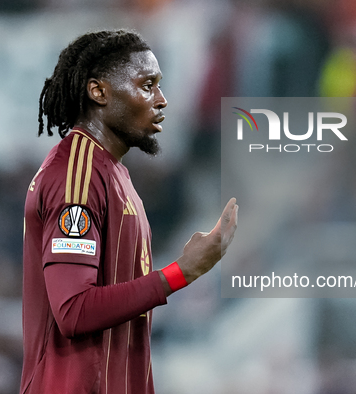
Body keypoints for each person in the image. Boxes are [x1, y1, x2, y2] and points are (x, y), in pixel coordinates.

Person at [20, 29, 238, 394]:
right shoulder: (78, 175)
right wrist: (182, 272)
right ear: (99, 92)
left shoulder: (113, 173)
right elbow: (73, 311)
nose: (162, 100)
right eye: (147, 85)